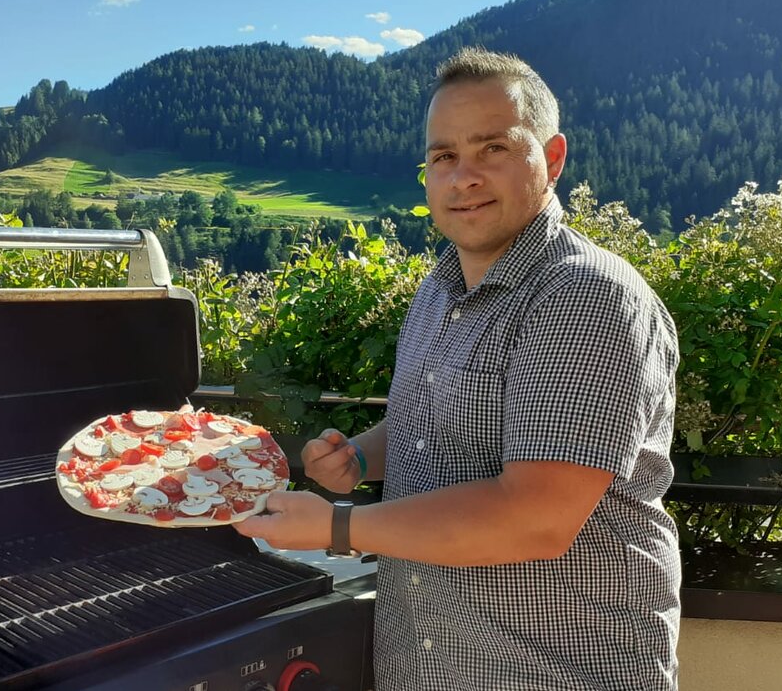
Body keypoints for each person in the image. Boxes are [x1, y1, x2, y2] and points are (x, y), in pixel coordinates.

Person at [233, 47, 681, 690]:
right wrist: (358, 459)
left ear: (551, 159)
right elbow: (429, 428)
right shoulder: (439, 289)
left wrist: (337, 527)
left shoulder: (584, 296)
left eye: (492, 149)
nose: (462, 177)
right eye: (443, 156)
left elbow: (535, 517)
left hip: (553, 673)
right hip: (424, 662)